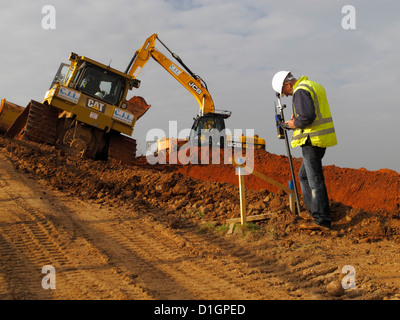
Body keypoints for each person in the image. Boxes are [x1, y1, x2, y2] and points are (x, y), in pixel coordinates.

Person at [271, 71, 337, 231]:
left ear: (287, 84)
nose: (286, 95)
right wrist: (297, 118)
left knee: (315, 180)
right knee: (304, 176)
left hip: (311, 140)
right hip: (320, 139)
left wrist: (293, 124)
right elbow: (311, 112)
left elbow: (307, 117)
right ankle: (314, 211)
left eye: (284, 92)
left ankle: (321, 220)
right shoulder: (313, 86)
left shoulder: (300, 90)